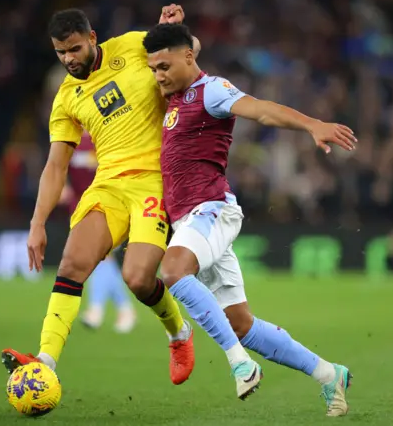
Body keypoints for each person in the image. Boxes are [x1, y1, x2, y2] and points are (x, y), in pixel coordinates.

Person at [143, 23, 355, 416]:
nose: (158, 76)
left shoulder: (213, 91)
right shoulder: (174, 90)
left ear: (188, 58)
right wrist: (172, 29)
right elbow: (185, 51)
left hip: (211, 210)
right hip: (190, 221)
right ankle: (329, 374)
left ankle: (240, 363)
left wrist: (312, 124)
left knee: (172, 271)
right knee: (241, 323)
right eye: (153, 68)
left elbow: (262, 111)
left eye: (163, 67)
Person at [1, 7, 196, 386]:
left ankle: (178, 333)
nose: (68, 59)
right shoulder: (66, 98)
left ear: (92, 38)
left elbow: (190, 53)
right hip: (108, 185)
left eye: (74, 49)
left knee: (138, 279)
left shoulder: (132, 46)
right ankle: (44, 361)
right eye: (60, 53)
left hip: (154, 180)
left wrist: (172, 38)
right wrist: (37, 223)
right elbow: (56, 166)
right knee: (72, 264)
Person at [59, 133, 136, 333]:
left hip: (109, 206)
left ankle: (96, 309)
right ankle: (124, 308)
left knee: (101, 257)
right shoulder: (71, 138)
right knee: (101, 258)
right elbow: (59, 167)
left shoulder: (110, 135)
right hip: (79, 208)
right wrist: (63, 186)